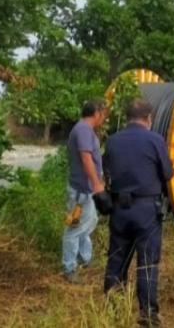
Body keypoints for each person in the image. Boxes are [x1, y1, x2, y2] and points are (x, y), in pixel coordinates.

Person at [103, 98, 174, 326]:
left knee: (116, 261)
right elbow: (168, 172)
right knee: (147, 263)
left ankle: (113, 309)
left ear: (127, 118)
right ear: (148, 119)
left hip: (119, 210)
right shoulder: (155, 140)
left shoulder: (112, 141)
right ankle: (148, 314)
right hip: (146, 210)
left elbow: (107, 172)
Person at [62, 99, 109, 284]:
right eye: (103, 115)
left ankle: (85, 258)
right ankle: (69, 267)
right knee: (74, 228)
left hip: (85, 189)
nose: (103, 119)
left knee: (89, 223)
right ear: (96, 113)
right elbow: (86, 158)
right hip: (81, 190)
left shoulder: (85, 130)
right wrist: (97, 184)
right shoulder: (82, 130)